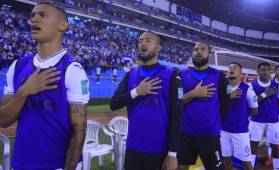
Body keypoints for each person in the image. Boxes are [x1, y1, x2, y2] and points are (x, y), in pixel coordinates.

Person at [1, 1, 89, 169]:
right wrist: (24, 92)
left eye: (43, 15)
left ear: (63, 26)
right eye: (32, 15)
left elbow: (79, 130)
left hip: (55, 165)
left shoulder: (72, 69)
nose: (34, 19)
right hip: (20, 163)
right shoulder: (17, 66)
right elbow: (3, 120)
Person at [110, 31, 182, 170]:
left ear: (158, 47)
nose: (143, 43)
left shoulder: (172, 76)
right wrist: (137, 92)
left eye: (148, 40)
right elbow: (114, 104)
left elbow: (177, 117)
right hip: (133, 147)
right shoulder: (131, 74)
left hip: (159, 150)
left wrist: (172, 154)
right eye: (141, 40)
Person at [177, 41, 229, 170]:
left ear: (209, 54)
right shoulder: (180, 76)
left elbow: (226, 105)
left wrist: (213, 124)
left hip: (210, 135)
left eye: (202, 49)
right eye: (196, 49)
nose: (198, 51)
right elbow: (176, 103)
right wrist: (194, 94)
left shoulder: (221, 78)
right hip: (185, 133)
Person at [221, 62, 258, 170]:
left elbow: (255, 110)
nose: (231, 69)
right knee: (226, 158)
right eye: (229, 68)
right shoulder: (224, 88)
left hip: (240, 132)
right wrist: (228, 97)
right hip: (223, 130)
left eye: (235, 68)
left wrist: (242, 117)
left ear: (240, 73)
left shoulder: (247, 89)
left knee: (246, 162)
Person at [249, 62, 279, 170]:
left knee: (276, 148)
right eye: (262, 70)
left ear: (271, 72)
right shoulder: (251, 85)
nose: (265, 72)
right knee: (253, 146)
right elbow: (252, 101)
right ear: (257, 72)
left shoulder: (278, 86)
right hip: (256, 120)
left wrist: (271, 110)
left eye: (267, 70)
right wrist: (265, 94)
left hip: (273, 121)